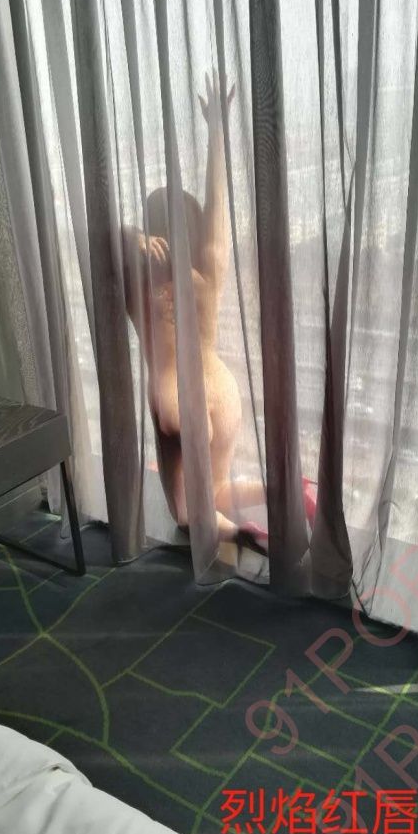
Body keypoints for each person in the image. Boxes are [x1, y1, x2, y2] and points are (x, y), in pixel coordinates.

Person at [121, 72, 268, 547]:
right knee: (217, 486)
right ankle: (284, 494)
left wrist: (129, 238)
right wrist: (217, 131)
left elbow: (95, 235)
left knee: (187, 511)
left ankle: (234, 532)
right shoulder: (208, 271)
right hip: (221, 389)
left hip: (174, 394)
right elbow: (217, 206)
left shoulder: (136, 282)